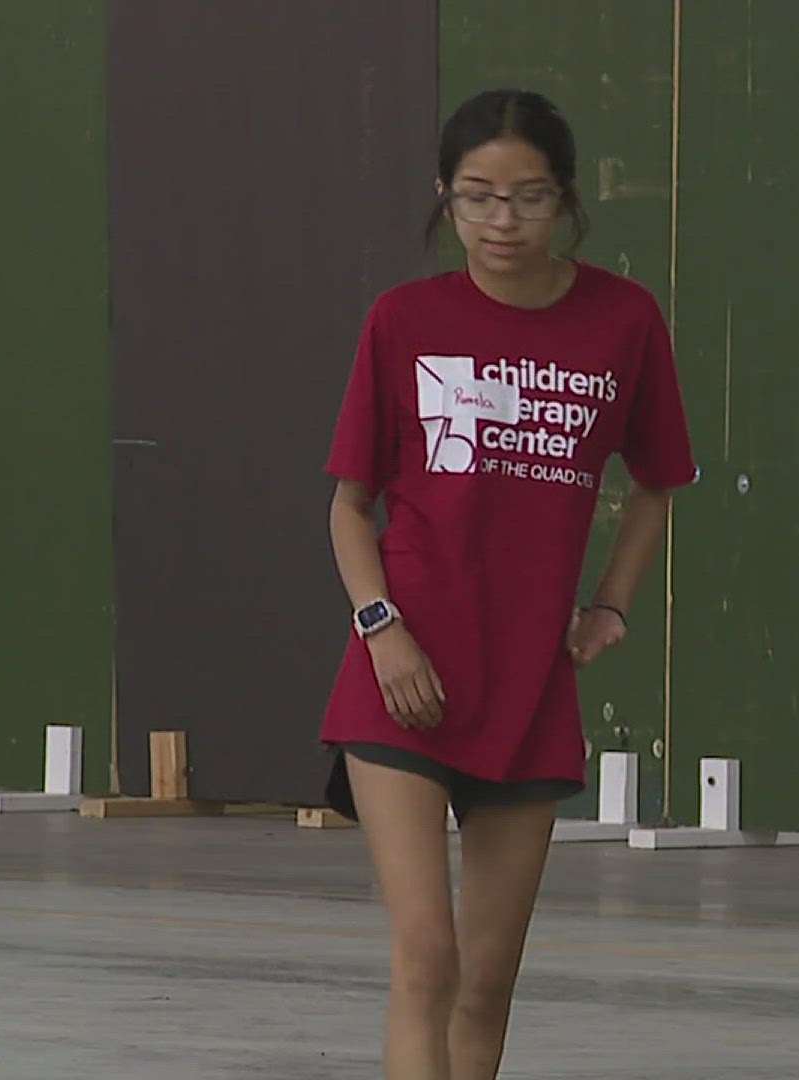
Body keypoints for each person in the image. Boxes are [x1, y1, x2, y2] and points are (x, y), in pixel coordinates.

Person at [318, 88, 696, 1080]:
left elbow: (658, 484)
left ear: (564, 199)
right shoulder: (404, 319)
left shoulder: (623, 320)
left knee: (486, 984)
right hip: (400, 676)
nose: (501, 221)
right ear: (445, 199)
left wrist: (610, 602)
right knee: (427, 960)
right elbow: (348, 507)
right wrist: (381, 629)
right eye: (477, 197)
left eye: (527, 197)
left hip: (529, 684)